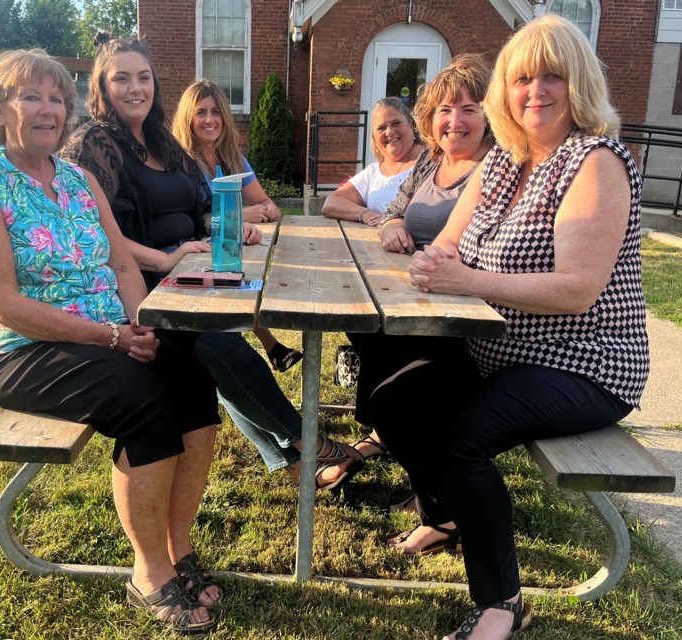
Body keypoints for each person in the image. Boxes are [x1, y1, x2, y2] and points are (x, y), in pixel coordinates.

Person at [371, 14, 651, 639]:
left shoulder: (594, 160)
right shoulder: (505, 162)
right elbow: (445, 243)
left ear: (578, 83)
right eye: (523, 78)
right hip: (501, 352)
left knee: (458, 437)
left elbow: (577, 290)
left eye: (553, 75)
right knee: (392, 401)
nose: (536, 91)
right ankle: (443, 516)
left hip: (585, 363)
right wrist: (434, 258)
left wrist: (466, 279)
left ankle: (501, 603)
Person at [0, 49, 223, 634]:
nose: (49, 110)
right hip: (18, 351)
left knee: (194, 386)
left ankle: (179, 549)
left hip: (110, 336)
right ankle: (149, 574)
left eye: (57, 99)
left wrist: (139, 325)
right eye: (32, 97)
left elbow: (124, 267)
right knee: (142, 398)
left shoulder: (79, 179)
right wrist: (112, 337)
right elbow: (2, 303)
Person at [61, 34, 363, 491]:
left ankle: (295, 452)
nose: (135, 88)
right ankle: (306, 442)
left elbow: (201, 203)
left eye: (143, 77)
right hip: (138, 286)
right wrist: (164, 259)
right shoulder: (96, 143)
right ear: (102, 86)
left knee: (232, 343)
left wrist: (226, 223)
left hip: (192, 269)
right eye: (121, 78)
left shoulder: (162, 140)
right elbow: (95, 234)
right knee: (222, 350)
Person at [345, 55, 494, 502]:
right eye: (445, 111)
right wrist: (394, 227)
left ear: (491, 114)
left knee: (391, 388)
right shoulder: (431, 163)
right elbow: (391, 213)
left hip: (465, 317)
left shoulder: (498, 166)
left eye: (469, 109)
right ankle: (391, 440)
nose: (455, 121)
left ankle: (434, 493)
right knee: (363, 327)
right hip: (417, 296)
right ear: (430, 119)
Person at [171, 78, 303, 373]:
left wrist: (256, 215)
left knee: (251, 275)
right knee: (240, 279)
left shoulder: (233, 159)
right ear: (188, 118)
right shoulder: (178, 160)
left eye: (216, 112)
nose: (209, 120)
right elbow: (192, 219)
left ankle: (272, 348)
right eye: (201, 112)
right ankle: (270, 348)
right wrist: (240, 217)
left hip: (227, 245)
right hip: (193, 252)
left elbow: (270, 207)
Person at [321, 96, 424, 228]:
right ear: (374, 137)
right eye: (381, 128)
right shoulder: (374, 172)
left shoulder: (430, 163)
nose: (389, 132)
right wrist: (365, 213)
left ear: (411, 125)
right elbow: (331, 203)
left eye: (396, 123)